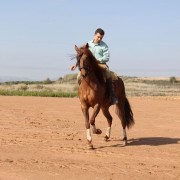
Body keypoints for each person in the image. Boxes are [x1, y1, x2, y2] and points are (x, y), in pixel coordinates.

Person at [71, 28, 118, 105]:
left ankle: (112, 96)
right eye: (98, 37)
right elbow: (82, 56)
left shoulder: (104, 46)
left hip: (101, 64)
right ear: (94, 35)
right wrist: (75, 65)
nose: (99, 39)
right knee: (79, 76)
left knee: (108, 75)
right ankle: (81, 93)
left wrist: (97, 60)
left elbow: (106, 57)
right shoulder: (88, 44)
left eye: (101, 37)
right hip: (90, 66)